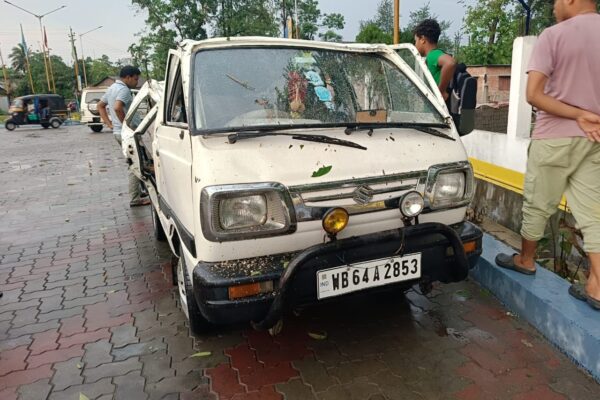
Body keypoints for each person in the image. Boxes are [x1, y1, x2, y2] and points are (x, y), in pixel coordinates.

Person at [495, 0, 600, 311]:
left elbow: (534, 95)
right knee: (593, 214)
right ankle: (597, 286)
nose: (554, 7)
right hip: (594, 138)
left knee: (538, 204)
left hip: (554, 136)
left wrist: (578, 113)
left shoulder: (554, 35)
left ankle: (526, 260)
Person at [97, 66, 149, 207]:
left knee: (136, 161)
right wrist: (127, 126)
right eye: (135, 79)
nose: (136, 83)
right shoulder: (124, 90)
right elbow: (117, 108)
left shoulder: (112, 88)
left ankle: (140, 191)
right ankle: (135, 198)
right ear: (128, 77)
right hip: (127, 134)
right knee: (136, 164)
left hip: (118, 132)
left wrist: (109, 124)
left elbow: (100, 106)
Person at [413, 19, 456, 101]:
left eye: (416, 41)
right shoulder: (434, 54)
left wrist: (440, 92)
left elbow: (450, 63)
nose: (415, 44)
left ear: (422, 39)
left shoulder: (432, 55)